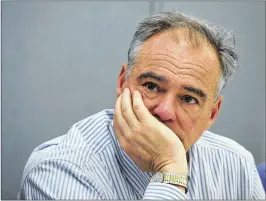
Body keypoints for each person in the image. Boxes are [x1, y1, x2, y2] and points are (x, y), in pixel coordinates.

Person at [18, 11, 265, 200]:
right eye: (151, 86)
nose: (164, 111)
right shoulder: (58, 169)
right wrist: (170, 171)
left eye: (189, 98)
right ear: (122, 82)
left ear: (212, 113)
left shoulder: (236, 163)